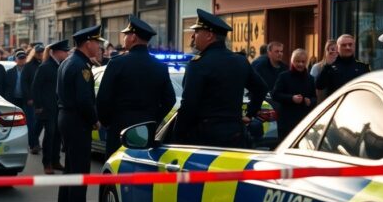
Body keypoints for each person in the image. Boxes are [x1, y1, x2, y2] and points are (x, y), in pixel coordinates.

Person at [173, 9, 267, 148]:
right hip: (236, 135)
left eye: (197, 32)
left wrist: (176, 138)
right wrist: (250, 114)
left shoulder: (198, 64)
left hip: (205, 139)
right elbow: (261, 88)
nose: (193, 36)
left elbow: (188, 107)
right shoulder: (240, 60)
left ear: (210, 35)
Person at [96, 16, 175, 157]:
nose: (124, 38)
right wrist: (154, 119)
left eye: (126, 35)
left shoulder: (117, 64)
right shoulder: (160, 67)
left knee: (115, 171)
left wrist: (108, 122)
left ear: (133, 38)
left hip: (119, 129)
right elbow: (170, 100)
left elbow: (103, 99)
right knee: (140, 172)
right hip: (146, 131)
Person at [55, 25, 104, 202]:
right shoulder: (82, 67)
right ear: (88, 43)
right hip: (76, 121)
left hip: (66, 117)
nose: (99, 47)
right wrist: (95, 120)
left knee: (70, 170)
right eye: (97, 43)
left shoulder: (68, 62)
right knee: (80, 172)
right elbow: (84, 100)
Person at [32, 41, 70, 174]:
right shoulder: (46, 66)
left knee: (58, 136)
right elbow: (36, 87)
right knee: (50, 136)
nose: (66, 53)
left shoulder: (62, 65)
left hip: (59, 107)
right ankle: (47, 163)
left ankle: (55, 161)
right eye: (64, 51)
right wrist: (39, 106)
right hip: (47, 108)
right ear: (55, 52)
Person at [272, 49, 316, 141]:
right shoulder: (284, 76)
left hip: (304, 121)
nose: (300, 64)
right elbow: (275, 95)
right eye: (297, 61)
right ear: (292, 61)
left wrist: (310, 101)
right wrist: (291, 98)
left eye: (303, 62)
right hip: (286, 122)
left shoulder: (310, 79)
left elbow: (314, 98)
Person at [23, 44, 44, 154]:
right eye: (38, 52)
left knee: (40, 123)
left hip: (42, 99)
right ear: (34, 53)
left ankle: (36, 142)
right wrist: (29, 97)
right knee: (32, 123)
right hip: (32, 100)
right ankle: (34, 144)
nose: (40, 54)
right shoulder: (28, 66)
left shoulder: (44, 64)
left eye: (42, 52)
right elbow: (24, 83)